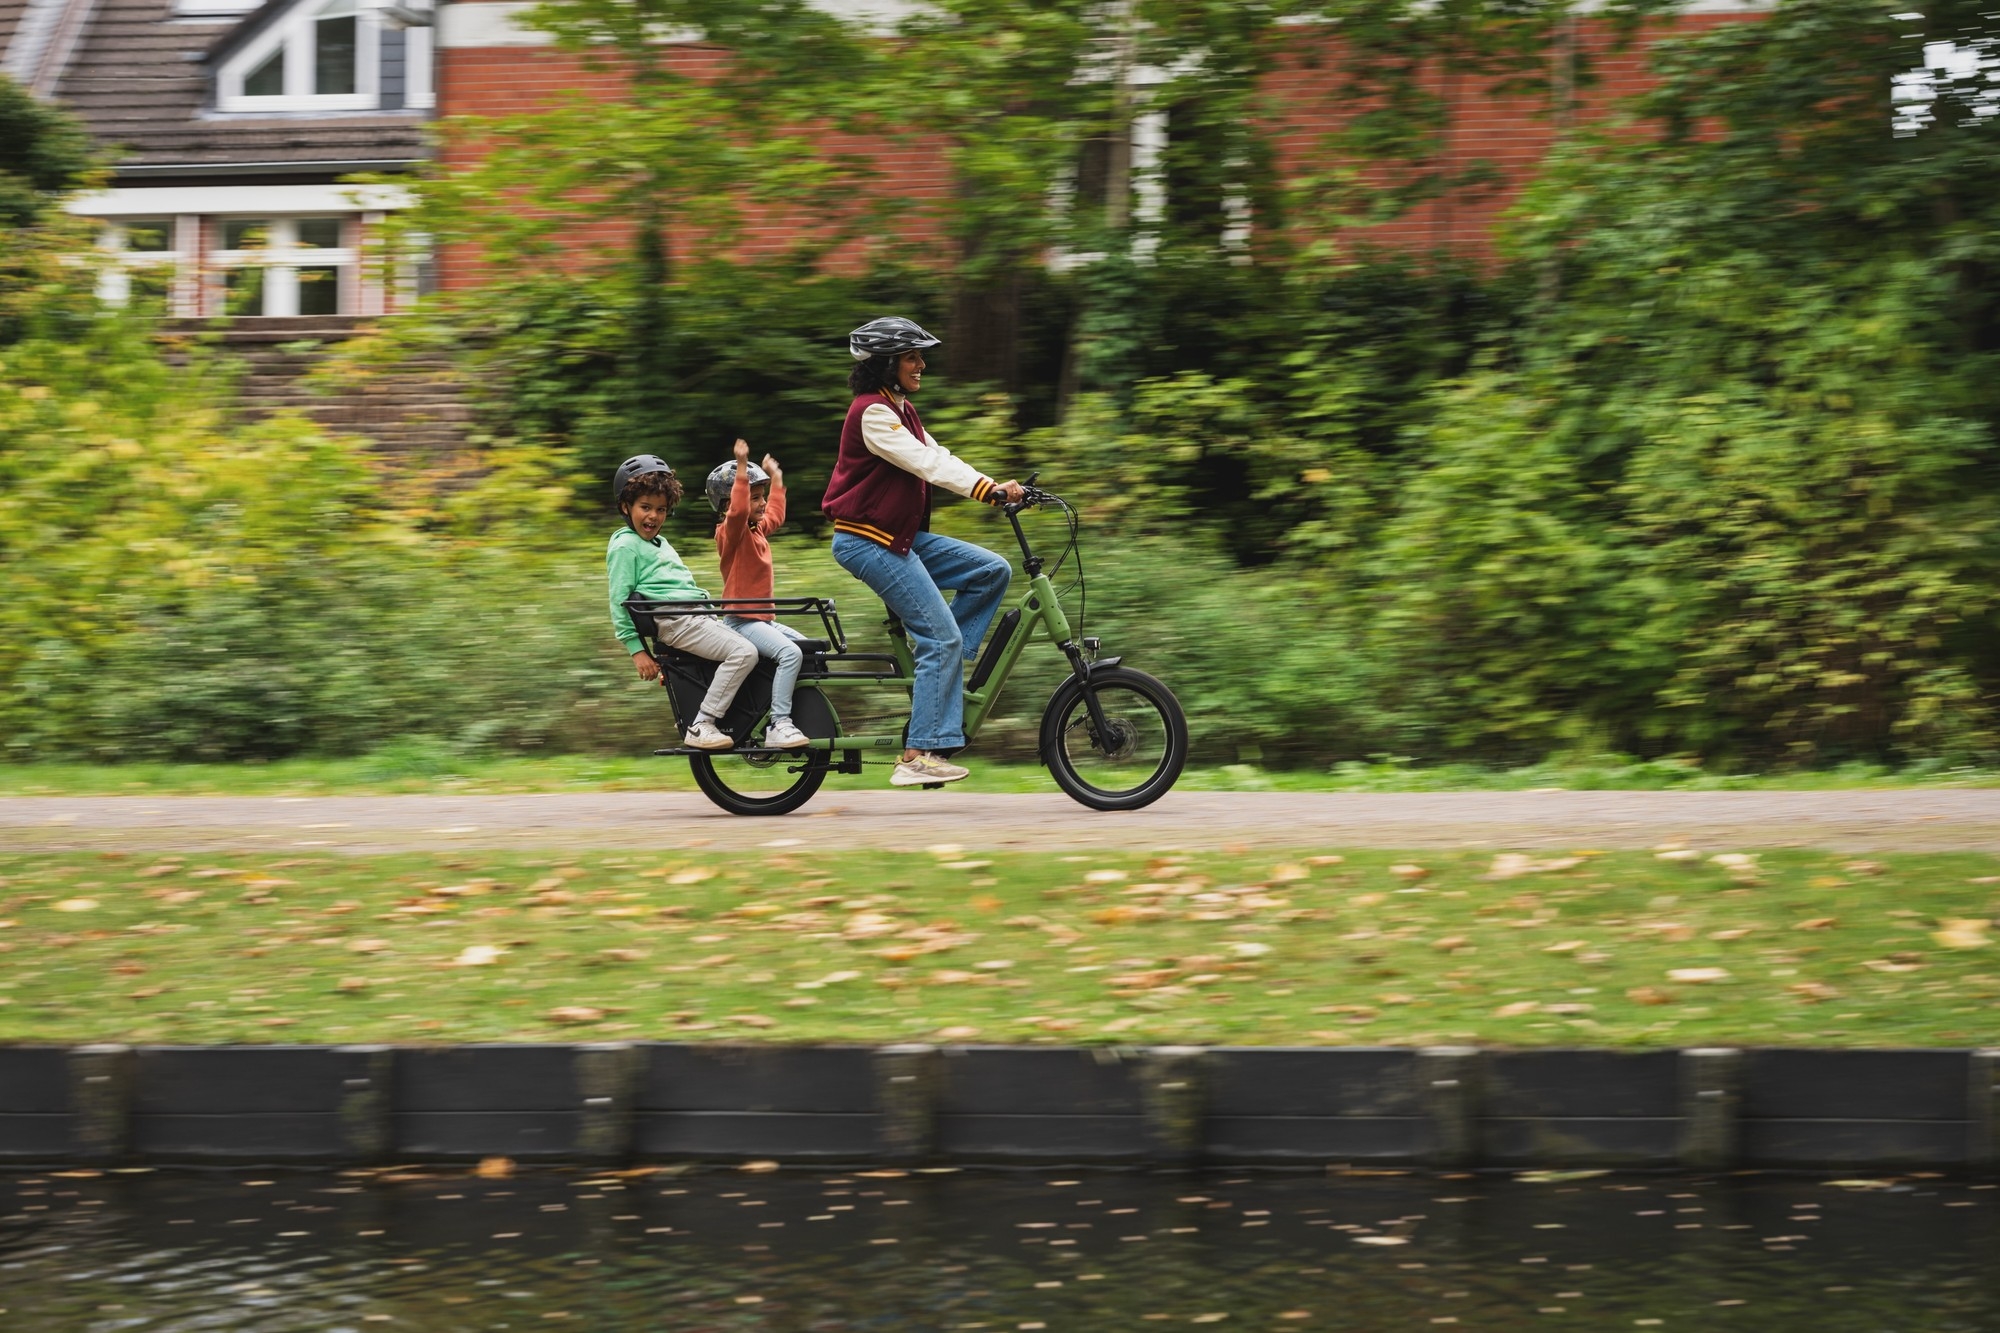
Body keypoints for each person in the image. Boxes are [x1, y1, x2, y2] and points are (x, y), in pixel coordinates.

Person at [822, 316, 1025, 788]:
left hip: (898, 537)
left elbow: (942, 454)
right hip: (866, 540)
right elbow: (924, 463)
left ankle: (942, 669)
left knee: (991, 571)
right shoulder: (871, 413)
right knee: (941, 638)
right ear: (888, 363)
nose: (922, 364)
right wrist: (985, 492)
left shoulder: (901, 410)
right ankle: (917, 754)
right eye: (912, 356)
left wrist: (995, 485)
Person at [605, 454, 758, 751]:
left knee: (759, 646)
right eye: (645, 507)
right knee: (743, 653)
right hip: (675, 621)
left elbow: (680, 586)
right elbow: (619, 601)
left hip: (695, 617)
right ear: (626, 507)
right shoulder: (625, 546)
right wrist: (637, 652)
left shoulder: (659, 543)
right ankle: (702, 724)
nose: (653, 517)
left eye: (661, 509)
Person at [708, 438, 810, 749]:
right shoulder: (731, 532)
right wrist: (741, 467)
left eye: (761, 497)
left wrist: (776, 480)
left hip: (761, 620)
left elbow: (775, 516)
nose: (761, 503)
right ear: (729, 504)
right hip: (741, 620)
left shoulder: (756, 530)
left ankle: (782, 710)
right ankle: (778, 724)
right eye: (755, 497)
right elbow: (738, 512)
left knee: (808, 650)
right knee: (790, 654)